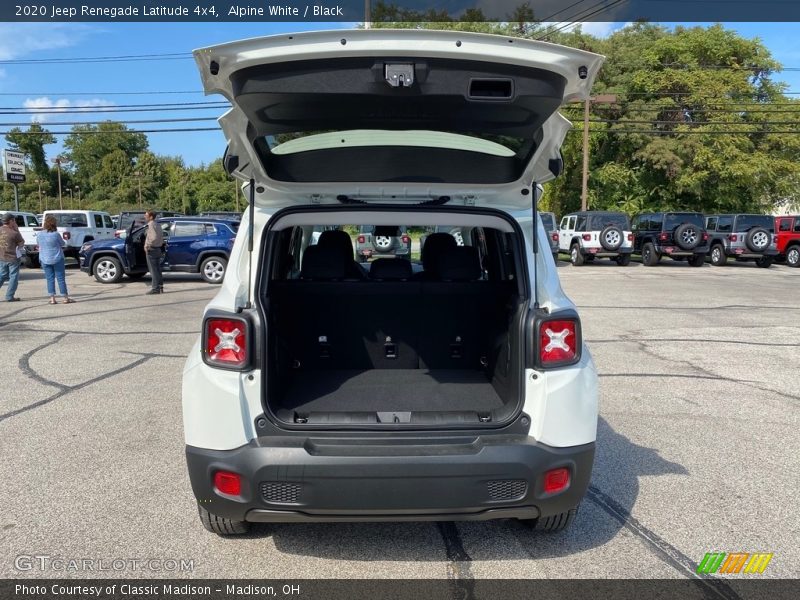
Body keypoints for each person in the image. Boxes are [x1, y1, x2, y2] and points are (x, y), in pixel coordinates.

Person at [38, 215, 74, 304]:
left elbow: (38, 243)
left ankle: (52, 299)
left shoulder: (40, 234)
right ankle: (65, 298)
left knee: (50, 279)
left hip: (44, 258)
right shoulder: (56, 234)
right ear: (54, 224)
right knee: (60, 278)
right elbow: (62, 243)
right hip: (57, 258)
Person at [0, 212, 24, 302]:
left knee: (2, 276)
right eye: (14, 220)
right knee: (13, 277)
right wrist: (17, 229)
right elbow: (21, 243)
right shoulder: (14, 233)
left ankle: (9, 296)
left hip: (2, 257)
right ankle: (9, 296)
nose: (15, 222)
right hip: (13, 258)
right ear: (10, 221)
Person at [143, 209, 164, 294]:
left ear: (151, 217)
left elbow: (154, 237)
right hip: (158, 249)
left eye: (146, 215)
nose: (145, 216)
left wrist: (147, 245)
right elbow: (160, 236)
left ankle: (155, 288)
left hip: (152, 249)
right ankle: (160, 286)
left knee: (153, 270)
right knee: (157, 269)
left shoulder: (151, 225)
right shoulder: (157, 224)